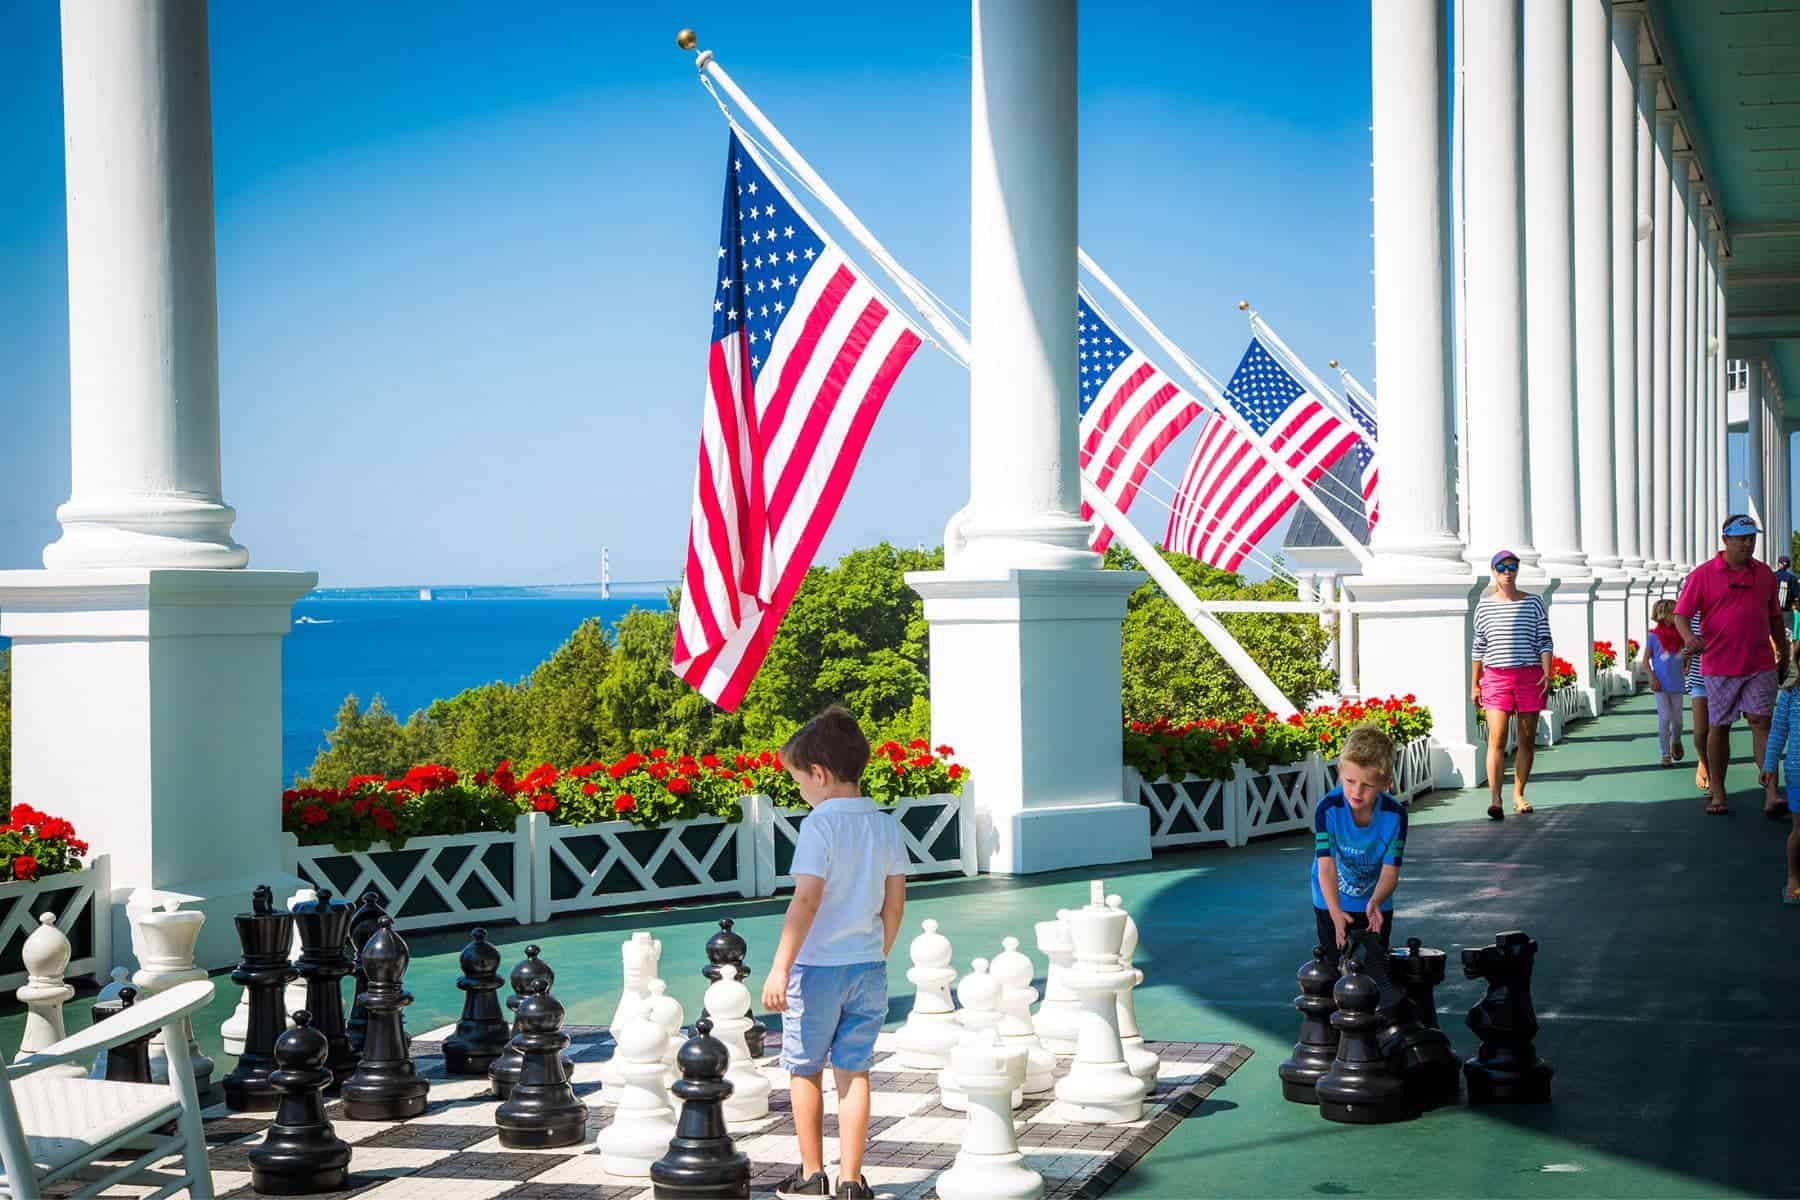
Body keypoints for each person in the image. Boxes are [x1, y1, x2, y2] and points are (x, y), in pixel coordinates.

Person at [761, 706, 906, 1200]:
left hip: (816, 968)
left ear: (820, 774)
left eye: (799, 780)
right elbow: (894, 905)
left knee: (805, 1068)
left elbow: (806, 900)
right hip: (868, 967)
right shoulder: (885, 827)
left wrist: (780, 967)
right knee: (854, 1071)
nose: (800, 790)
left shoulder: (818, 826)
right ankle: (850, 1182)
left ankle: (811, 1175)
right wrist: (877, 951)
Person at [1676, 514, 1789, 817]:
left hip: (1759, 663)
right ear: (1726, 539)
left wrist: (1783, 654)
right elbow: (1681, 615)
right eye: (1742, 538)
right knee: (1720, 726)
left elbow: (1775, 618)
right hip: (1719, 664)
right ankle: (1718, 792)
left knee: (1761, 723)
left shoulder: (1765, 574)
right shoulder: (1703, 575)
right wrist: (1689, 637)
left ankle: (1771, 793)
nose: (1748, 543)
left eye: (1752, 538)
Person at [1312, 725, 1407, 973]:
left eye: (1367, 785)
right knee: (1334, 969)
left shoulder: (1395, 816)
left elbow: (1390, 871)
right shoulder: (1327, 809)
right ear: (1340, 771)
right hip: (1331, 898)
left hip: (1375, 901)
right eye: (1350, 781)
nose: (1356, 791)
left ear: (1385, 784)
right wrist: (1335, 911)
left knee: (1374, 972)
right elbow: (1326, 867)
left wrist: (1376, 900)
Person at [1470, 549, 1554, 820]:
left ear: (1517, 571)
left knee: (1526, 738)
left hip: (1530, 676)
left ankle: (1518, 794)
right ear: (1493, 571)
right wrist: (1474, 685)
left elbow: (1544, 639)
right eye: (1502, 567)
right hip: (1496, 677)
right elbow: (1478, 647)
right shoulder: (1484, 606)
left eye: (1512, 567)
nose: (1507, 572)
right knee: (1497, 736)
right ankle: (1495, 799)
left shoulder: (1533, 602)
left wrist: (1547, 671)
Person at [1756, 642, 1800, 905]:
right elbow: (1777, 733)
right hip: (1798, 772)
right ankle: (1794, 877)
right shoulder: (1790, 695)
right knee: (1799, 829)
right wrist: (1769, 765)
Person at [1641, 599, 1690, 767]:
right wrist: (1651, 677)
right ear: (1663, 615)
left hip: (1677, 682)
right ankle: (1665, 754)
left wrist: (1687, 663)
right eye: (1673, 613)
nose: (1677, 615)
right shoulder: (1653, 636)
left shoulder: (1681, 635)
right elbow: (1645, 661)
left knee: (1678, 720)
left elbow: (1685, 654)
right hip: (1660, 684)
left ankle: (1676, 740)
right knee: (1665, 717)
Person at [1685, 612, 1711, 793]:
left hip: (1724, 678)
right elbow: (1683, 647)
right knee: (1700, 732)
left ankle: (1716, 783)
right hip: (1699, 680)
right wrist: (1685, 654)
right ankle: (1703, 759)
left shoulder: (1725, 608)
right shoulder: (1690, 615)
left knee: (1718, 731)